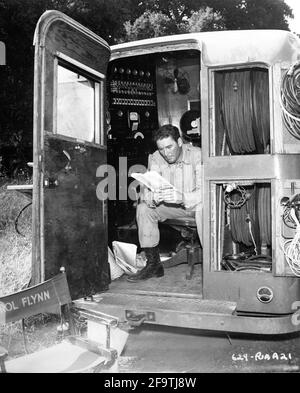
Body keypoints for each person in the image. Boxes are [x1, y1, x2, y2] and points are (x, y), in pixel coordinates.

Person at [127, 124, 203, 282]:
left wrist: (182, 197)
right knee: (143, 208)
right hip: (173, 208)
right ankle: (154, 264)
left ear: (180, 142)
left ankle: (211, 266)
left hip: (197, 206)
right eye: (162, 149)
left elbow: (205, 192)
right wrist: (151, 197)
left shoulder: (197, 155)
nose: (166, 153)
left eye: (169, 147)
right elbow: (146, 189)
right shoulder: (156, 157)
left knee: (203, 210)